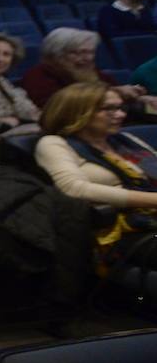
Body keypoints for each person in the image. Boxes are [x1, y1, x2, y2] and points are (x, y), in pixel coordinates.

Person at [36, 82, 157, 276]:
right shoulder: (54, 143)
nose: (120, 115)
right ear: (78, 111)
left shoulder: (124, 140)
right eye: (109, 109)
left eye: (120, 108)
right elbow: (73, 189)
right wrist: (153, 200)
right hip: (118, 230)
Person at [21, 27, 154, 112]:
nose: (88, 58)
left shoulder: (88, 71)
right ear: (56, 54)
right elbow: (57, 107)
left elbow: (113, 92)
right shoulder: (37, 76)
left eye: (91, 52)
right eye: (78, 53)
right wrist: (116, 92)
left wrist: (137, 98)